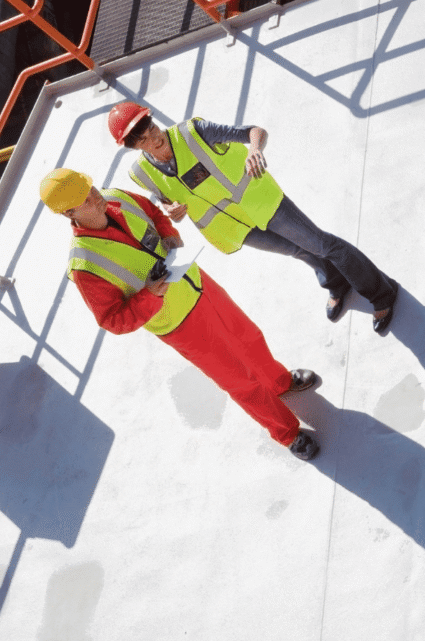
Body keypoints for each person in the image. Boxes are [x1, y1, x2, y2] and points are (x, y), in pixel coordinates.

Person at [39, 168, 321, 460]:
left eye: (91, 188)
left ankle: (279, 382)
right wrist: (151, 295)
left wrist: (171, 236)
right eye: (84, 199)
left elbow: (155, 215)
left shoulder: (118, 197)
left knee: (248, 336)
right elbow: (113, 320)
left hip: (198, 283)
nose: (95, 197)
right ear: (68, 213)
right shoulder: (85, 265)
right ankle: (286, 432)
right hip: (179, 323)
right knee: (238, 378)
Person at [106, 102, 399, 335]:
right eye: (144, 140)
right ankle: (335, 281)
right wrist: (172, 211)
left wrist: (254, 150)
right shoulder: (140, 173)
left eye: (153, 128)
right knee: (297, 250)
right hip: (234, 228)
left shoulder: (193, 132)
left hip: (262, 201)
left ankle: (382, 293)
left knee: (323, 245)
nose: (155, 139)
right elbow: (165, 200)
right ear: (135, 147)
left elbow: (255, 131)